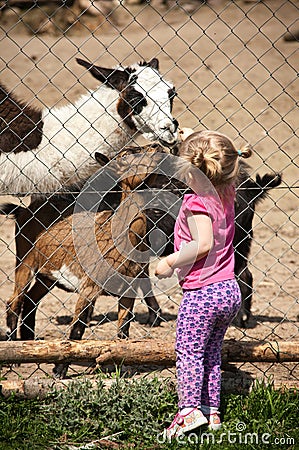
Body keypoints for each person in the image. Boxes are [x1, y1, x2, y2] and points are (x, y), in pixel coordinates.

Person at [155, 128, 252, 439]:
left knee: (189, 353)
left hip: (202, 294)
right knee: (210, 353)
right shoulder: (227, 191)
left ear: (190, 169)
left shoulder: (196, 203)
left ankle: (187, 413)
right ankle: (212, 412)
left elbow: (203, 244)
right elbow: (219, 157)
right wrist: (192, 137)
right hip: (229, 290)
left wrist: (170, 261)